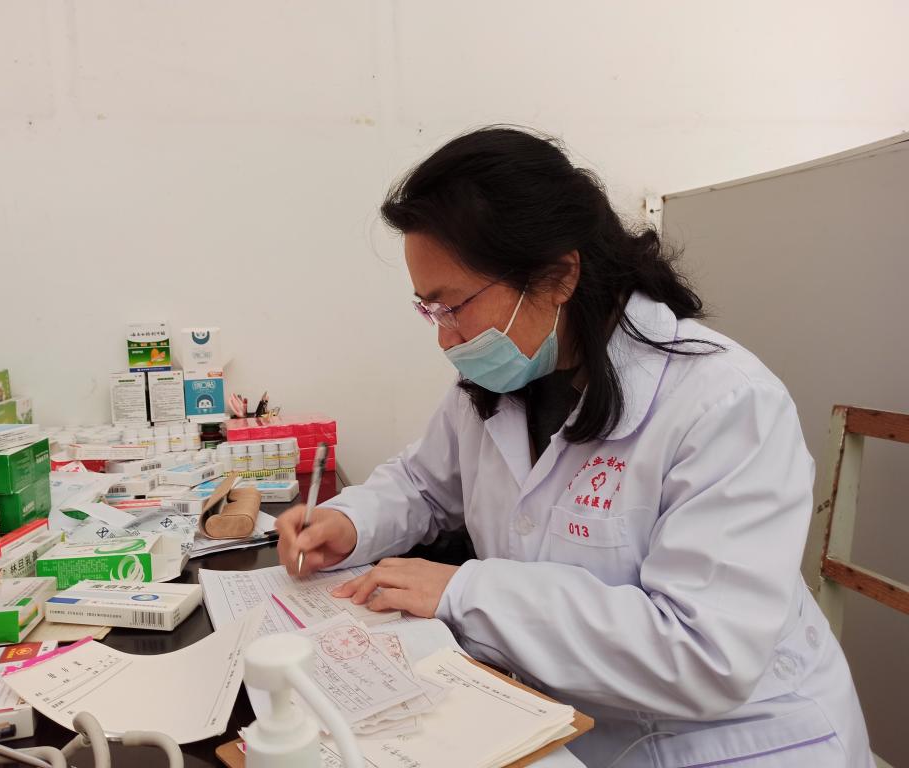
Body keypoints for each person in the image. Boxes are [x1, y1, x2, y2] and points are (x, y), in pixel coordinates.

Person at [276, 127, 873, 767]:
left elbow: (704, 656)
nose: (446, 339)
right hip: (565, 726)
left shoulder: (726, 404)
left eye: (454, 306)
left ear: (558, 275)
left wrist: (467, 591)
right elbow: (423, 484)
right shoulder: (498, 381)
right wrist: (350, 521)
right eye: (430, 311)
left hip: (734, 743)